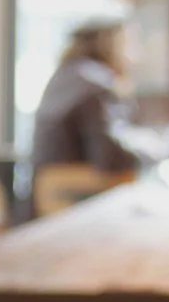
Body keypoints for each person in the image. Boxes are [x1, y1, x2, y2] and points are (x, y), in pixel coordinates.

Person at [32, 20, 143, 181]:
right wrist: (157, 153)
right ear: (111, 44)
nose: (135, 57)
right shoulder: (96, 84)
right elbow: (110, 159)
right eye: (129, 44)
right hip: (77, 194)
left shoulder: (67, 75)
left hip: (50, 195)